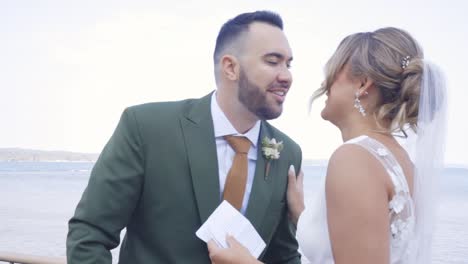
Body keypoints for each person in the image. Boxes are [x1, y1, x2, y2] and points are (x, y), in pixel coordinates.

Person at [66, 10, 303, 264]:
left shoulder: (287, 153)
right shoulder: (147, 128)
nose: (286, 76)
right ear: (230, 67)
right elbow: (89, 235)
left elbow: (284, 255)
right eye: (272, 61)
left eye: (288, 64)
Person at [207, 27, 447, 264]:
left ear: (363, 84)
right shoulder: (403, 163)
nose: (325, 83)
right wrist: (302, 215)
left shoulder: (355, 159)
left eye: (334, 73)